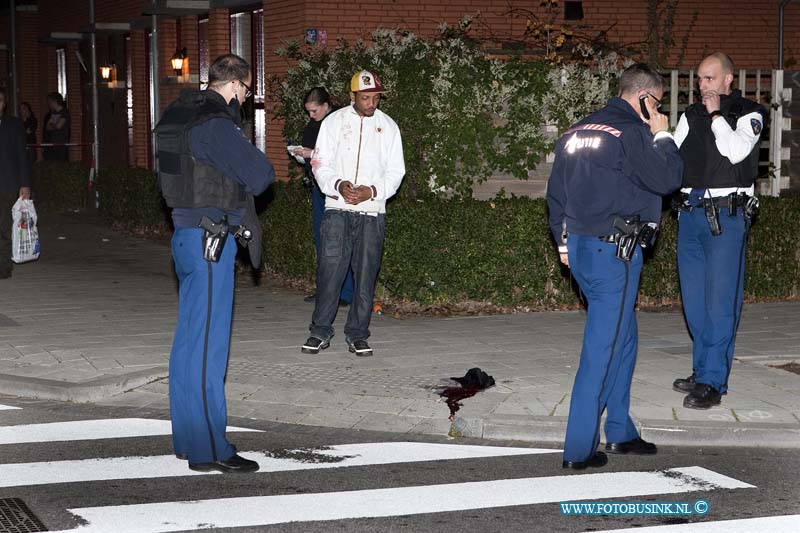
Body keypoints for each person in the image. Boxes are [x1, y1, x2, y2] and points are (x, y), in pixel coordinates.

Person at [547, 64, 683, 469]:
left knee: (623, 339)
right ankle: (579, 449)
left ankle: (620, 431)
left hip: (584, 250)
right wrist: (663, 134)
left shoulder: (576, 132)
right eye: (657, 102)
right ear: (643, 96)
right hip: (616, 255)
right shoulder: (633, 132)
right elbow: (669, 178)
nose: (658, 109)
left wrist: (563, 241)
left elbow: (556, 195)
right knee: (602, 349)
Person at [154, 53, 275, 473]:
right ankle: (212, 449)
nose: (244, 99)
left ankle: (191, 440)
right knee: (208, 348)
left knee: (188, 345)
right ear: (236, 84)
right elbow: (260, 175)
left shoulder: (179, 113)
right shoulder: (215, 123)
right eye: (246, 91)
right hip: (210, 242)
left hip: (186, 237)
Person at [671, 53, 766, 410]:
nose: (702, 86)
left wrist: (715, 116)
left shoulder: (749, 113)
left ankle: (713, 381)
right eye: (699, 79)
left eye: (709, 78)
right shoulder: (689, 115)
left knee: (720, 304)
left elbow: (735, 151)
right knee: (695, 304)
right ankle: (701, 370)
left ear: (729, 80)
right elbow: (670, 158)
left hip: (726, 219)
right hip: (691, 216)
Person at [300, 70, 405, 357]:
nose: (371, 103)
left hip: (372, 213)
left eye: (375, 98)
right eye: (365, 98)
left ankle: (358, 333)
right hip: (337, 209)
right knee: (330, 271)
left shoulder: (389, 127)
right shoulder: (334, 122)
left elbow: (397, 171)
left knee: (365, 275)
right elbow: (320, 161)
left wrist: (372, 191)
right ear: (352, 96)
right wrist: (337, 185)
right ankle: (319, 331)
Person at [290, 87, 354, 305]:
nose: (311, 115)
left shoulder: (340, 124)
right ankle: (326, 290)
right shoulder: (316, 124)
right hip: (318, 187)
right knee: (322, 239)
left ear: (327, 106)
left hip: (336, 189)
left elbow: (343, 154)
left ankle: (346, 293)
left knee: (339, 239)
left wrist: (312, 154)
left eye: (315, 111)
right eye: (308, 111)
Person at [0, 88, 33, 278]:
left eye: (0, 101)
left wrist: (25, 183)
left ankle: (3, 266)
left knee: (4, 227)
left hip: (7, 183)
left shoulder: (13, 125)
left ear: (4, 104)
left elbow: (22, 155)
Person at [42, 92, 70, 162]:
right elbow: (47, 127)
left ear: (54, 101)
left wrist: (53, 125)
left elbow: (58, 126)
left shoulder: (64, 112)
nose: (48, 104)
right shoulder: (54, 113)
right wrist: (54, 125)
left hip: (61, 143)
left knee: (60, 164)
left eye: (49, 102)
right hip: (52, 142)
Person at [19, 102, 37, 173]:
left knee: (30, 167)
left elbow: (28, 132)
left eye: (23, 109)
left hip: (30, 147)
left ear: (27, 109)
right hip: (21, 147)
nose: (21, 111)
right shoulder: (18, 121)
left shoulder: (33, 120)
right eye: (20, 109)